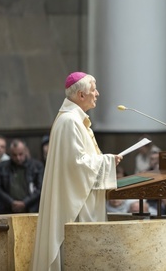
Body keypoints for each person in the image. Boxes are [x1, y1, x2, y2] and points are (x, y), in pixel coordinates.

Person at [31, 72, 123, 271]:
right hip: (76, 206)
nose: (97, 94)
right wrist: (107, 162)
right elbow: (77, 165)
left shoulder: (73, 119)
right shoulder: (70, 122)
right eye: (93, 90)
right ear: (81, 95)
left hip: (83, 199)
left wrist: (107, 160)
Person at [0, 139, 44, 214]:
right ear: (10, 153)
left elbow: (40, 188)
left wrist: (25, 203)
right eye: (14, 155)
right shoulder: (1, 167)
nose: (18, 158)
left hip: (31, 209)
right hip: (7, 209)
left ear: (25, 151)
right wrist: (12, 202)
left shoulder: (37, 166)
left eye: (20, 154)